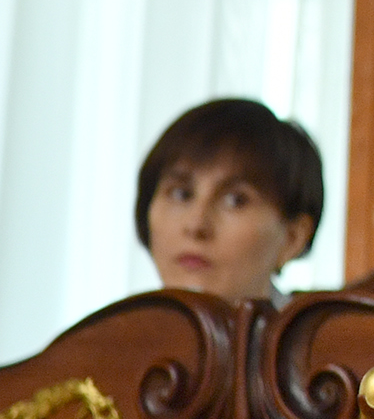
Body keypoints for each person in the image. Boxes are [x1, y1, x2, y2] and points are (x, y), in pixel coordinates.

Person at [135, 98, 325, 303]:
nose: (196, 225)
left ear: (292, 238)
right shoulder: (117, 322)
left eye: (235, 201)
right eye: (181, 194)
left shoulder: (327, 325)